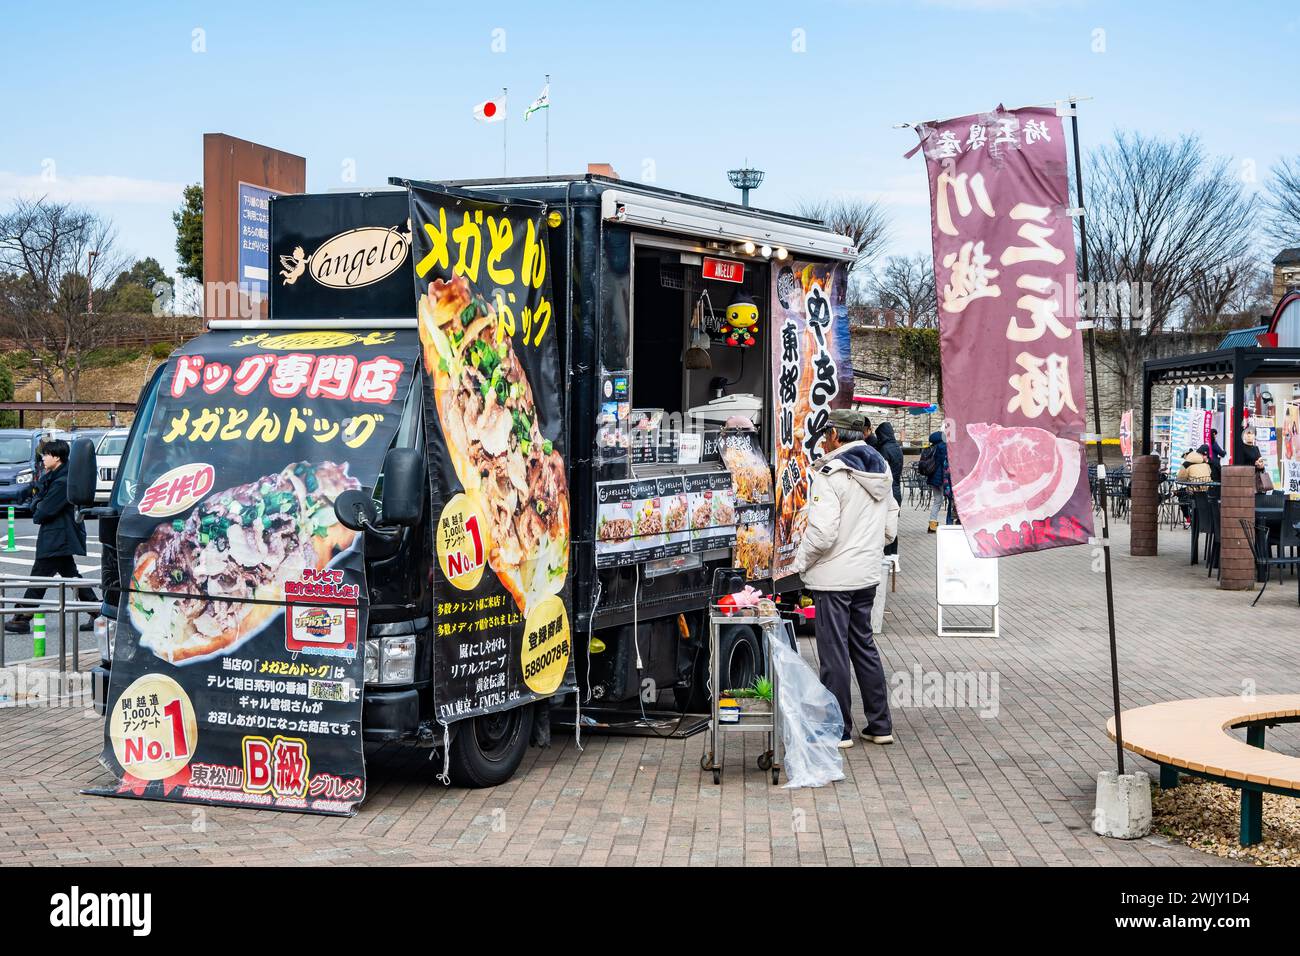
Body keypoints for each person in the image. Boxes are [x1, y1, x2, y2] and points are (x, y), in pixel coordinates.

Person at [791, 409, 899, 749]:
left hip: (834, 578)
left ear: (836, 436)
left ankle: (838, 729)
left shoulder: (830, 472)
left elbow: (822, 534)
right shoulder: (881, 468)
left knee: (834, 652)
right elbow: (892, 520)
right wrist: (873, 544)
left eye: (826, 434)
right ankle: (880, 725)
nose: (823, 440)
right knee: (863, 645)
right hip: (866, 574)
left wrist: (800, 561)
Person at [4, 439, 98, 635]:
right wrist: (38, 502)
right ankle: (99, 613)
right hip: (57, 535)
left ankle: (22, 617)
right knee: (70, 575)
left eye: (46, 454)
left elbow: (43, 511)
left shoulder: (62, 482)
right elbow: (37, 504)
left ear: (57, 457)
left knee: (40, 576)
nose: (43, 458)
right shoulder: (55, 477)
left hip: (58, 536)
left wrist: (38, 503)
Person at [871, 421, 904, 557]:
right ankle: (894, 557)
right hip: (896, 489)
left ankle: (886, 556)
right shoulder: (897, 447)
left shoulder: (884, 449)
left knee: (884, 526)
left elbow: (881, 472)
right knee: (892, 525)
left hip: (887, 491)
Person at [922, 429, 952, 532]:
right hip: (942, 479)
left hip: (933, 479)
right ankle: (950, 523)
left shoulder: (931, 448)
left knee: (937, 501)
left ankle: (932, 525)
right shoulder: (943, 447)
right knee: (950, 500)